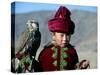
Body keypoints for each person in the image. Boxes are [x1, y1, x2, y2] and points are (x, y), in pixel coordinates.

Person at [38, 6, 90, 71]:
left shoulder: (72, 52)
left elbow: (74, 68)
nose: (65, 39)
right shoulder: (45, 53)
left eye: (68, 35)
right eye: (61, 35)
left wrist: (81, 66)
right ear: (54, 34)